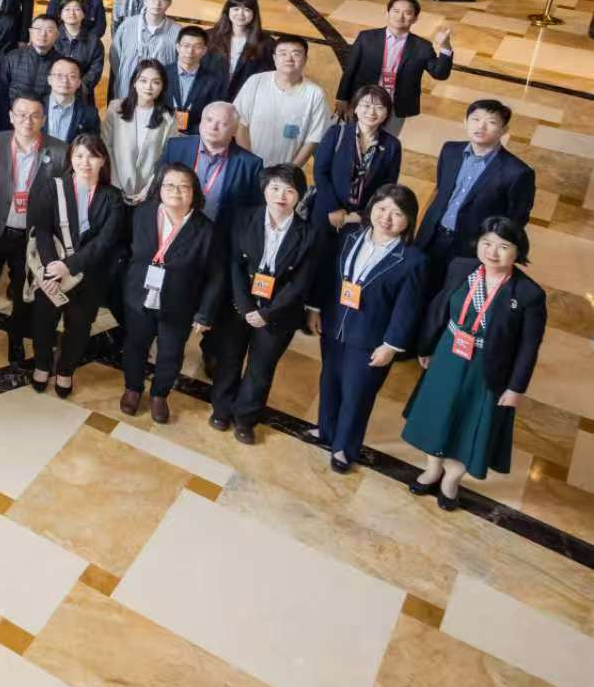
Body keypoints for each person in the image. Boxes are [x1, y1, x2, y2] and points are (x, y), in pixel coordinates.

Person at [401, 217, 547, 510]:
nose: (492, 252)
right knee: (437, 414)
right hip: (448, 353)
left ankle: (451, 480)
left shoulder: (528, 294)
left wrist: (516, 388)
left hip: (488, 366)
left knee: (469, 425)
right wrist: (427, 346)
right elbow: (440, 309)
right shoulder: (460, 267)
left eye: (503, 246)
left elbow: (529, 347)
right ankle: (432, 469)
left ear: (518, 251)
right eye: (486, 243)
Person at [314, 183, 425, 473]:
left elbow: (407, 308)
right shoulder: (348, 236)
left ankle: (344, 448)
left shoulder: (413, 259)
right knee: (329, 381)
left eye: (397, 213)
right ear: (371, 208)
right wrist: (315, 309)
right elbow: (329, 278)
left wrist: (391, 345)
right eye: (382, 208)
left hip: (371, 338)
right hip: (335, 324)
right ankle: (326, 431)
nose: (386, 218)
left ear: (409, 220)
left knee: (357, 394)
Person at [209, 164, 322, 442]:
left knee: (261, 368)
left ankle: (245, 418)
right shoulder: (243, 217)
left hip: (279, 314)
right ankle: (221, 409)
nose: (281, 196)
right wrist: (246, 307)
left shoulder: (309, 233)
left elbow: (300, 283)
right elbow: (234, 264)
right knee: (229, 359)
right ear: (264, 190)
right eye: (275, 188)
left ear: (299, 195)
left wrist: (268, 313)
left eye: (289, 190)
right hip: (239, 305)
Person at [119, 162, 224, 423]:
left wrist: (204, 313)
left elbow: (216, 276)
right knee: (135, 345)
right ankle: (133, 388)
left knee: (171, 352)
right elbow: (125, 250)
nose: (175, 191)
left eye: (183, 186)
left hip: (179, 303)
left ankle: (159, 395)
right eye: (169, 185)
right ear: (159, 188)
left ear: (194, 192)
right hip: (139, 296)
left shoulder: (206, 230)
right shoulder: (142, 214)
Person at [0, 96, 64, 360]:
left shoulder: (58, 150)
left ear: (43, 119)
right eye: (21, 114)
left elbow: (58, 200)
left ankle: (16, 338)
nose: (27, 121)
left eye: (34, 115)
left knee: (23, 291)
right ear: (11, 116)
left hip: (30, 237)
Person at [414, 99, 537, 310]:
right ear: (465, 122)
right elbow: (442, 192)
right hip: (432, 236)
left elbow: (516, 219)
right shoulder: (450, 150)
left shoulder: (517, 172)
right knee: (417, 291)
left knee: (451, 302)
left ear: (504, 130)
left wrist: (492, 250)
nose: (481, 126)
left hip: (471, 248)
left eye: (491, 122)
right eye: (475, 119)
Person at [24, 133, 122, 397]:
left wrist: (69, 265)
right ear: (70, 158)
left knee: (79, 326)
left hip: (90, 275)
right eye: (79, 155)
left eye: (92, 156)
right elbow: (42, 230)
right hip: (52, 270)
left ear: (103, 160)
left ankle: (65, 370)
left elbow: (105, 241)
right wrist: (51, 267)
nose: (85, 162)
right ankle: (42, 364)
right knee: (43, 321)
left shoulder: (113, 198)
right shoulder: (53, 187)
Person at [310, 84, 402, 267]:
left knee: (344, 267)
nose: (371, 112)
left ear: (387, 113)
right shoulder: (337, 133)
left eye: (379, 107)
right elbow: (320, 172)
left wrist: (362, 215)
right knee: (314, 262)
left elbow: (387, 187)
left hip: (360, 220)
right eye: (366, 105)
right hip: (326, 213)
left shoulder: (392, 145)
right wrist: (333, 208)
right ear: (356, 108)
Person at [336, 0, 454, 135]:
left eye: (407, 13)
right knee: (350, 138)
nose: (400, 16)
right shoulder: (366, 37)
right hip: (363, 101)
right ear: (387, 14)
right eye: (396, 11)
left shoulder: (422, 46)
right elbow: (350, 69)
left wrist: (445, 48)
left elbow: (440, 74)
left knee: (386, 144)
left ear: (415, 18)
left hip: (395, 106)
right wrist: (342, 98)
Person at [233, 36, 331, 168]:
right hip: (246, 166)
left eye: (296, 54)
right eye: (283, 53)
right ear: (274, 58)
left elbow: (313, 139)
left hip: (285, 172)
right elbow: (240, 124)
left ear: (305, 59)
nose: (289, 58)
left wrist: (289, 172)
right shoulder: (256, 81)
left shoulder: (315, 94)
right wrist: (249, 163)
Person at [163, 101, 264, 221]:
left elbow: (254, 212)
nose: (213, 127)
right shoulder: (175, 148)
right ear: (201, 122)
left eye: (223, 123)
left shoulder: (250, 165)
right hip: (174, 225)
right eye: (209, 120)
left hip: (221, 230)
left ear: (234, 130)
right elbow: (157, 189)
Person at [107, 59, 174, 206]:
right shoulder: (115, 108)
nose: (148, 87)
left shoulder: (168, 118)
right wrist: (116, 185)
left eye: (156, 82)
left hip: (149, 193)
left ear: (162, 86)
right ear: (134, 83)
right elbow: (106, 147)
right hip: (114, 188)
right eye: (143, 81)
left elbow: (167, 158)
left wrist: (149, 189)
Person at [109, 0, 178, 101]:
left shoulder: (176, 32)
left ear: (170, 3)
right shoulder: (127, 25)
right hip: (126, 91)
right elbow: (115, 57)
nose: (157, 3)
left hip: (158, 96)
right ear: (145, 0)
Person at [205, 0, 275, 100]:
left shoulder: (266, 43)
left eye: (247, 10)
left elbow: (268, 76)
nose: (240, 14)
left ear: (254, 13)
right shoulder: (209, 36)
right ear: (228, 10)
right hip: (210, 98)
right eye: (236, 9)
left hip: (245, 99)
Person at [166, 26, 227, 134]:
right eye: (186, 46)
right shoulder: (162, 74)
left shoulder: (215, 81)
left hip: (195, 137)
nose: (190, 51)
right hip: (162, 133)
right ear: (178, 47)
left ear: (204, 51)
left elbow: (215, 115)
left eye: (197, 47)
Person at [0, 14, 63, 104]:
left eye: (49, 30)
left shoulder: (62, 64)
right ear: (30, 32)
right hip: (13, 111)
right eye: (38, 29)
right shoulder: (12, 57)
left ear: (57, 35)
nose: (43, 34)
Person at [52, 0, 104, 96]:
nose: (72, 13)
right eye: (67, 9)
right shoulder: (52, 36)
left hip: (82, 94)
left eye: (77, 9)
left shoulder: (94, 41)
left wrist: (79, 86)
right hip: (53, 91)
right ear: (60, 14)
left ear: (84, 14)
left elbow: (95, 70)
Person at [41, 56, 99, 143]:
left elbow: (92, 146)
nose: (65, 80)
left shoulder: (90, 115)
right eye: (59, 75)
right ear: (49, 79)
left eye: (72, 76)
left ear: (79, 83)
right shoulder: (36, 106)